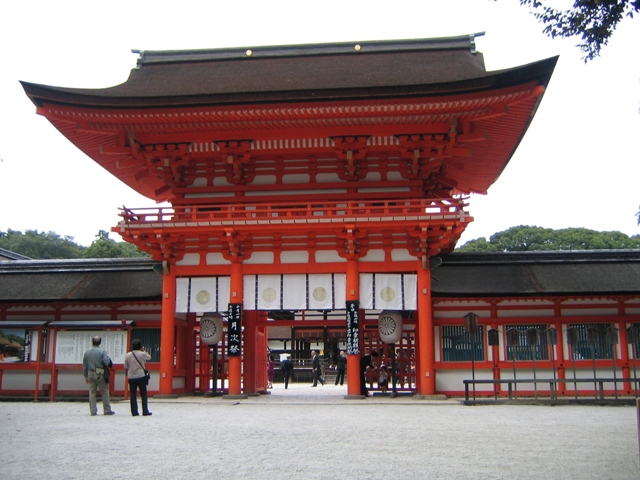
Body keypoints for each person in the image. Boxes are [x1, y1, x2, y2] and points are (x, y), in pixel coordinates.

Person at [82, 335, 115, 416]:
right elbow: (106, 362)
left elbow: (84, 366)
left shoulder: (87, 353)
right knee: (104, 392)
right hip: (100, 373)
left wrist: (85, 376)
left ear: (92, 342)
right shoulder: (102, 352)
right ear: (100, 342)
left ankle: (93, 411)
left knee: (92, 392)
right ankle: (107, 410)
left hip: (90, 372)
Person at [124, 339, 152, 416]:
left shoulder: (128, 354)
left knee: (133, 394)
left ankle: (134, 412)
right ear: (140, 346)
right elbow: (149, 357)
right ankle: (145, 411)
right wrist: (144, 350)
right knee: (143, 393)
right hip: (140, 375)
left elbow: (125, 366)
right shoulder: (142, 354)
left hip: (131, 376)